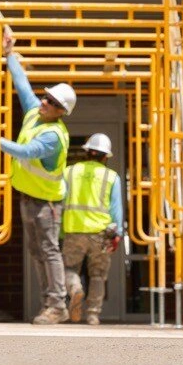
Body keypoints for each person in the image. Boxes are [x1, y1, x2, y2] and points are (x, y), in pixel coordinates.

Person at [0, 33, 76, 325]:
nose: (44, 102)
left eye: (51, 102)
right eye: (46, 97)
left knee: (49, 251)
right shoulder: (34, 113)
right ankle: (51, 303)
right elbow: (21, 85)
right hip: (29, 197)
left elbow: (28, 151)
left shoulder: (54, 136)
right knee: (36, 251)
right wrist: (10, 55)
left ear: (61, 112)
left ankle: (57, 305)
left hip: (47, 203)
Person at [61, 133, 123, 325]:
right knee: (98, 275)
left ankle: (75, 289)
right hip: (101, 233)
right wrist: (118, 233)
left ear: (87, 152)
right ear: (105, 157)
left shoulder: (69, 172)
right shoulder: (111, 177)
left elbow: (60, 201)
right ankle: (93, 314)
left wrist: (59, 231)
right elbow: (116, 208)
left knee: (69, 268)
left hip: (74, 230)